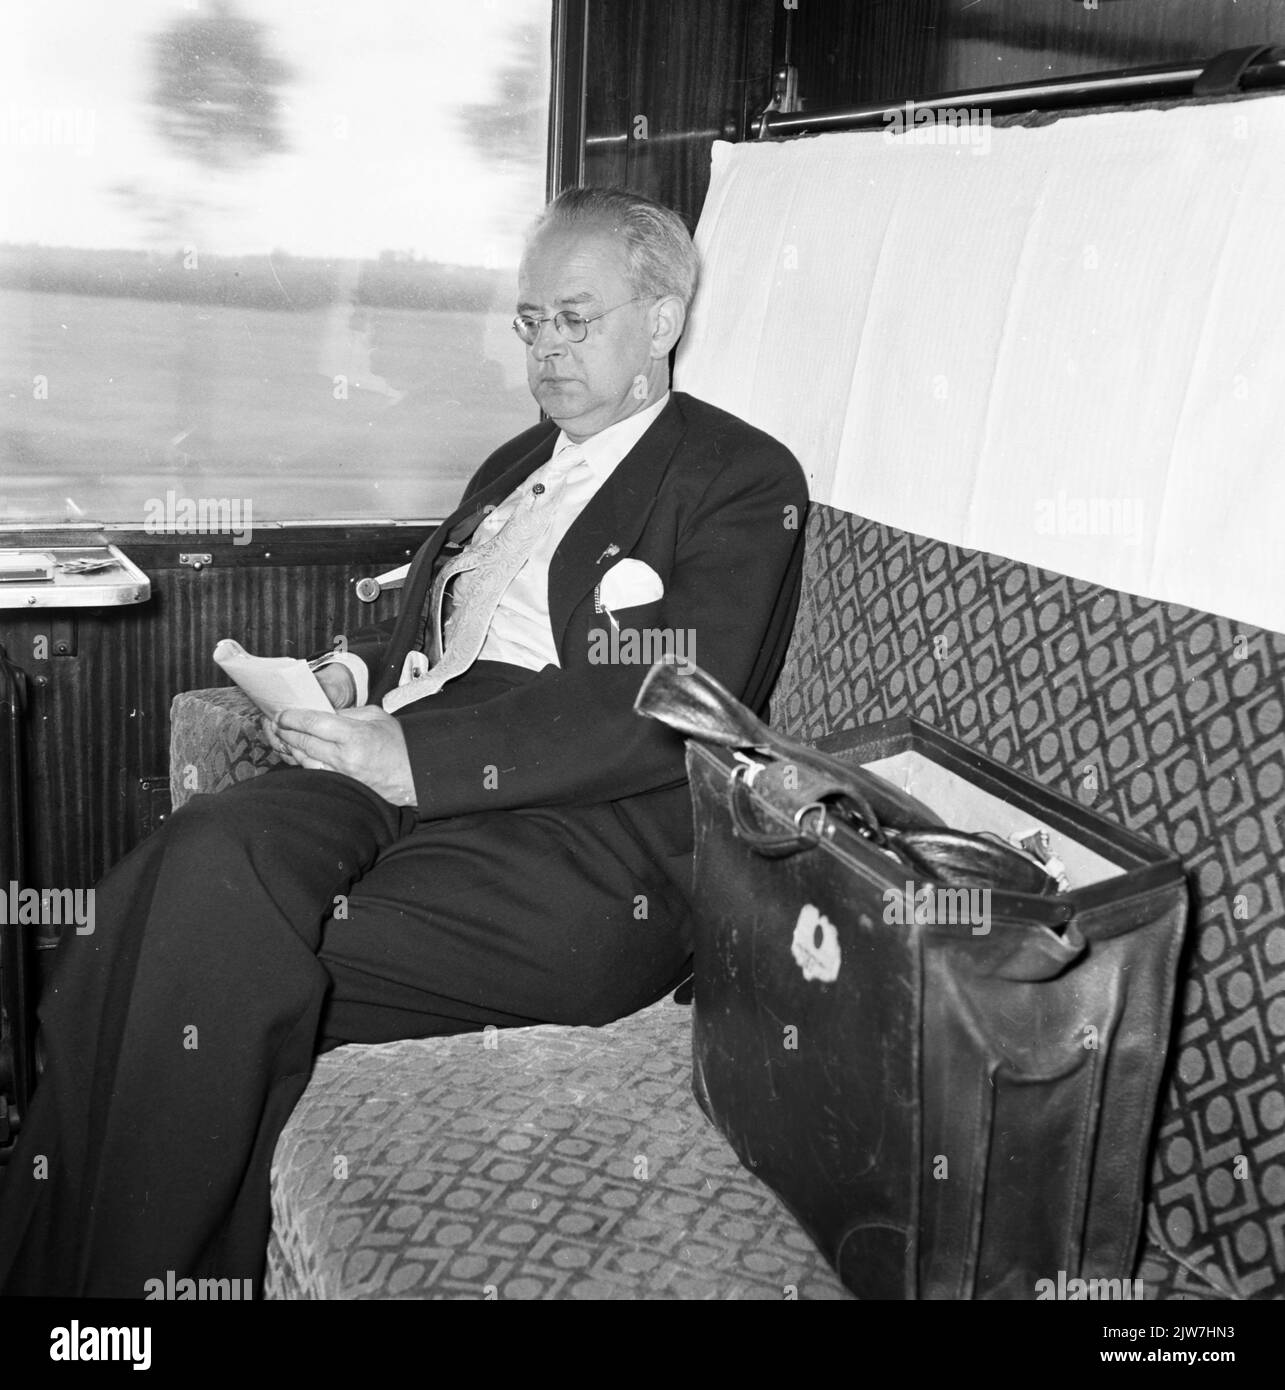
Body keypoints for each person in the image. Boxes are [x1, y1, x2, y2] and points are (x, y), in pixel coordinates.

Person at [0, 186, 808, 1298]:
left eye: (576, 319)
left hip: (584, 842)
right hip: (408, 748)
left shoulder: (738, 477)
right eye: (530, 322)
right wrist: (342, 680)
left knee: (194, 964)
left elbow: (659, 701)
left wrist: (402, 758)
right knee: (184, 873)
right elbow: (428, 625)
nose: (546, 350)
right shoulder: (519, 461)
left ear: (663, 317)